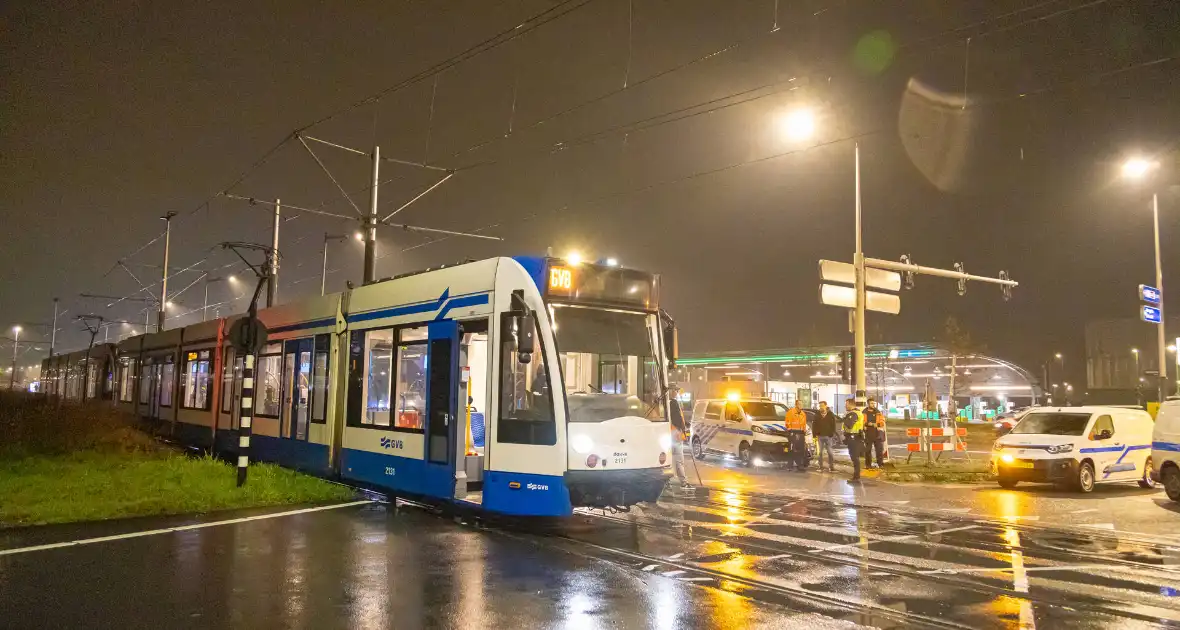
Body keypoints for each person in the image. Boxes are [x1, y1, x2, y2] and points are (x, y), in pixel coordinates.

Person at [842, 398, 865, 482]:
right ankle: (856, 475)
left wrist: (844, 418)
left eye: (846, 404)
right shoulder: (858, 413)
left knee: (854, 458)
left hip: (853, 438)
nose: (845, 406)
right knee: (855, 458)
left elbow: (849, 425)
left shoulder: (853, 414)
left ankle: (856, 477)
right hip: (855, 437)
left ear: (851, 405)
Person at [784, 399, 809, 472]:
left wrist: (804, 432)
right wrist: (790, 431)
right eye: (800, 404)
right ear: (796, 405)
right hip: (793, 433)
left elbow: (804, 424)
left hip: (801, 433)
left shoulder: (803, 414)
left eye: (802, 404)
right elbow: (787, 422)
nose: (801, 406)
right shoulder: (790, 412)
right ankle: (790, 466)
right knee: (792, 450)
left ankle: (800, 465)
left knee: (801, 450)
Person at [813, 400, 838, 472]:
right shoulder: (817, 415)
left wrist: (832, 433)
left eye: (822, 406)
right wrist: (814, 435)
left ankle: (831, 467)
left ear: (826, 406)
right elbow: (814, 425)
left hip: (828, 436)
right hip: (819, 436)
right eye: (820, 406)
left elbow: (833, 425)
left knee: (830, 452)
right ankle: (820, 467)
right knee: (819, 453)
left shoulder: (830, 414)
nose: (821, 407)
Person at [863, 397, 886, 469]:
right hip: (868, 434)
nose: (873, 405)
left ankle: (880, 464)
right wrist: (867, 424)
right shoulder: (864, 412)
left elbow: (882, 421)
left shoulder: (878, 412)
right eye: (872, 403)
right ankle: (868, 465)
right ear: (868, 404)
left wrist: (878, 424)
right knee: (868, 450)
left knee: (879, 450)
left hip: (877, 433)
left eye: (874, 403)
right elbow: (862, 422)